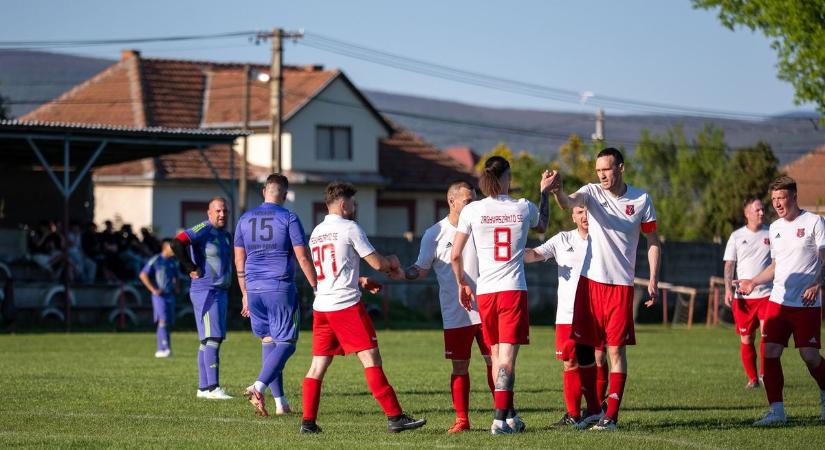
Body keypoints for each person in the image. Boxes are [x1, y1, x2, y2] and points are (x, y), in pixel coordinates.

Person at [547, 147, 660, 431]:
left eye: (607, 170)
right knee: (584, 350)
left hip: (620, 287)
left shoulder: (642, 199)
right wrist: (557, 190)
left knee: (615, 352)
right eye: (598, 171)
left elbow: (653, 241)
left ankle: (611, 416)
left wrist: (653, 280)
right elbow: (567, 202)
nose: (602, 175)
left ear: (620, 168)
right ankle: (595, 410)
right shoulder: (592, 192)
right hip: (590, 283)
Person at [300, 182, 426, 434]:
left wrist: (360, 280)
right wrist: (392, 261)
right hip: (345, 306)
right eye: (354, 204)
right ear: (344, 205)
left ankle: (308, 423)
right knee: (370, 358)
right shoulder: (349, 227)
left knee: (318, 365)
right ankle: (395, 417)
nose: (356, 208)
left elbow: (332, 271)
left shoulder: (316, 232)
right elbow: (378, 263)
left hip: (322, 305)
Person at [451, 156, 552, 435]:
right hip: (511, 290)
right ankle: (498, 420)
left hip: (485, 292)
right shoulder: (522, 207)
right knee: (507, 358)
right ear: (506, 177)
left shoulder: (473, 210)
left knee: (496, 356)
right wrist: (544, 193)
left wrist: (462, 283)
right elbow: (542, 225)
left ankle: (509, 417)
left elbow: (455, 254)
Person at [397, 180, 494, 433]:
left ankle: (503, 415)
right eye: (468, 201)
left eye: (475, 199)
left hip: (487, 308)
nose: (474, 205)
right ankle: (462, 420)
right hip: (456, 313)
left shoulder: (482, 226)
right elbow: (420, 268)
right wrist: (400, 273)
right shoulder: (435, 233)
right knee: (460, 366)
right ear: (452, 201)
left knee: (496, 362)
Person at [736, 176, 825, 426]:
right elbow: (776, 266)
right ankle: (777, 411)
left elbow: (824, 258)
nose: (777, 204)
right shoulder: (774, 228)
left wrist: (818, 282)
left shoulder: (815, 222)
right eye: (773, 199)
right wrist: (753, 281)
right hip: (778, 301)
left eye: (781, 198)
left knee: (810, 356)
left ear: (794, 197)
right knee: (770, 352)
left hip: (806, 304)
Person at [235, 174, 318, 417]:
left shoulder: (244, 218)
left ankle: (281, 403)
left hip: (253, 288)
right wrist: (315, 285)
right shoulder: (289, 217)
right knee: (287, 343)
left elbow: (239, 258)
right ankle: (258, 386)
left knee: (269, 342)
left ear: (264, 191)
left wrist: (244, 293)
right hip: (279, 286)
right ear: (284, 194)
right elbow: (302, 256)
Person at [524, 205, 597, 426]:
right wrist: (513, 247)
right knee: (569, 362)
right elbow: (535, 254)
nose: (585, 216)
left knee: (597, 359)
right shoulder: (563, 239)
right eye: (580, 212)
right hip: (567, 314)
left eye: (588, 211)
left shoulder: (603, 240)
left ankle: (595, 409)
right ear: (573, 216)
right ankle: (574, 414)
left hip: (595, 311)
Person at [171, 197, 233, 400]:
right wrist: (190, 267)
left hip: (220, 292)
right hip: (206, 292)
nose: (222, 214)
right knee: (213, 338)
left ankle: (204, 388)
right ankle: (214, 387)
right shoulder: (203, 229)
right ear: (209, 213)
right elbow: (177, 242)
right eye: (217, 211)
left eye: (224, 211)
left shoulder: (225, 235)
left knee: (207, 340)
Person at [723, 198, 772, 389]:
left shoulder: (772, 233)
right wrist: (728, 288)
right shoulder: (736, 236)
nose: (762, 212)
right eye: (757, 210)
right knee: (747, 338)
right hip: (743, 298)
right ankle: (752, 379)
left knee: (767, 336)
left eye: (762, 209)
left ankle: (765, 375)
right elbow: (729, 264)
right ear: (747, 213)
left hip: (767, 294)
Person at [139, 238, 179, 358]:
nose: (174, 250)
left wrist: (177, 286)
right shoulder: (156, 260)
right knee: (163, 320)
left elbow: (176, 276)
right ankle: (163, 348)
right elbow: (143, 274)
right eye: (171, 248)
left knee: (168, 322)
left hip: (170, 294)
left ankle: (164, 348)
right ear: (165, 248)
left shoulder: (173, 261)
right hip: (159, 296)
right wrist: (153, 289)